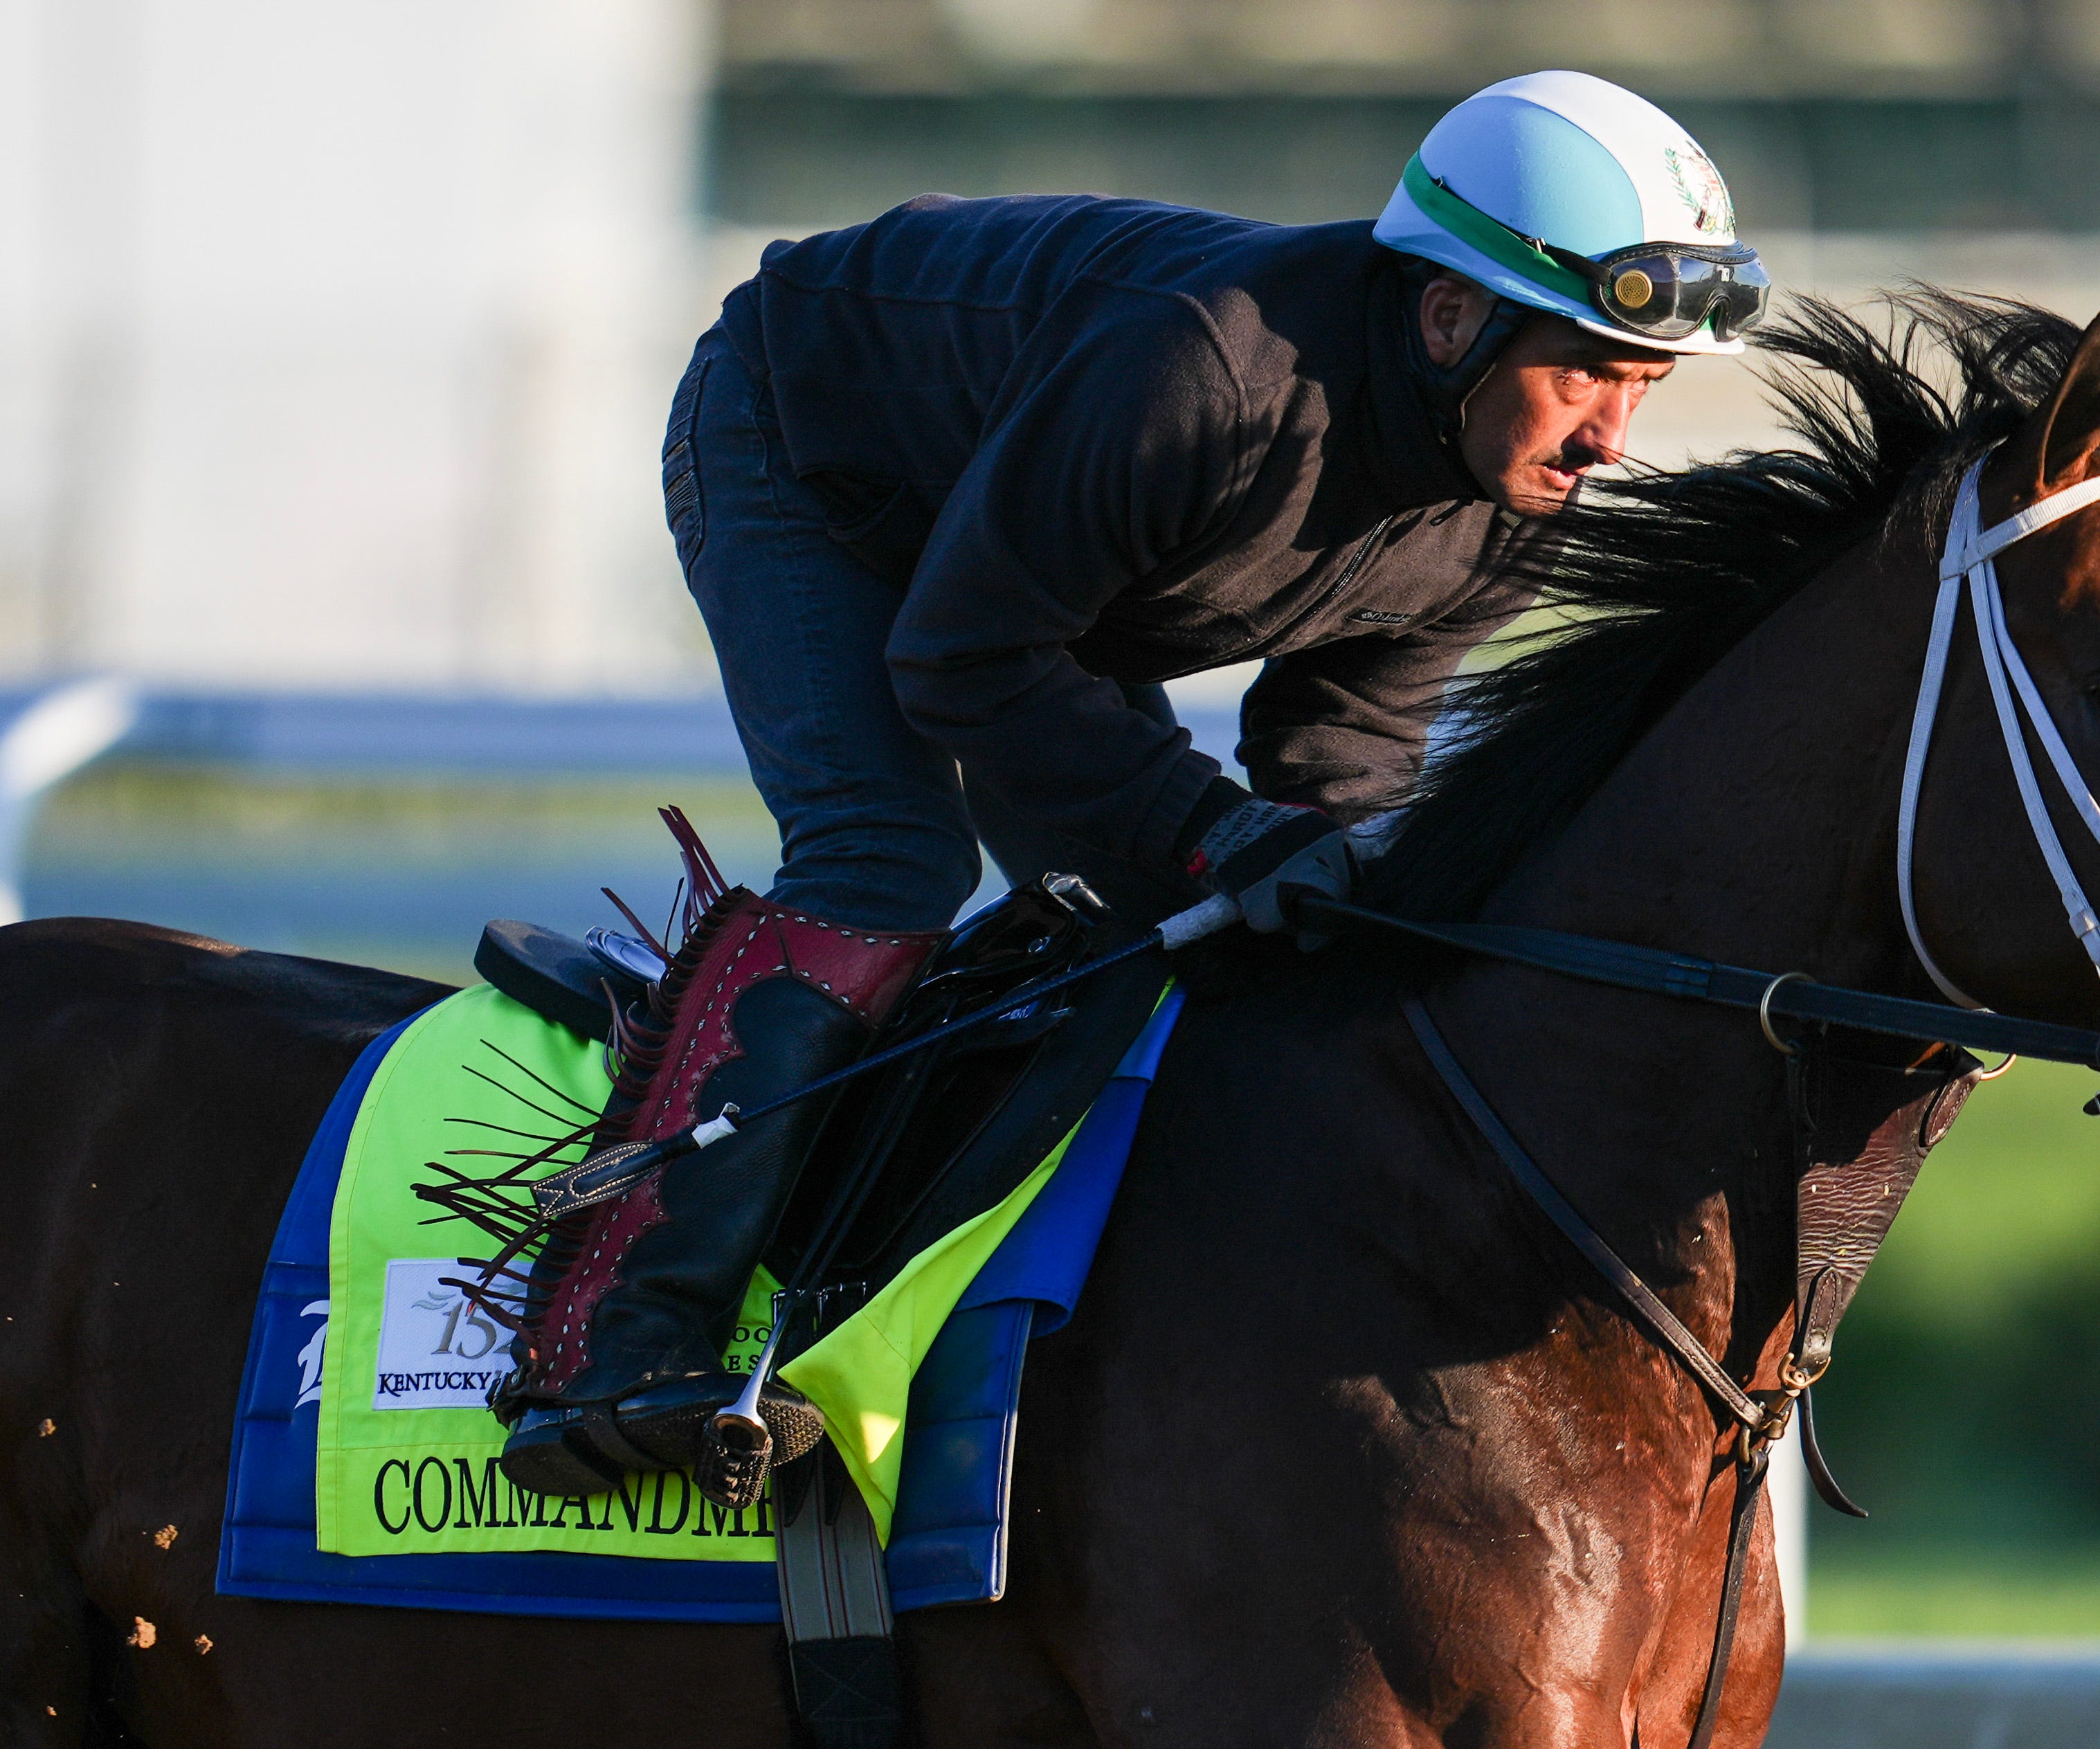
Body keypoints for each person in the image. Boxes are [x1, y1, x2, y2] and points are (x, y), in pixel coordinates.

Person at [493, 69, 1772, 1503]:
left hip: (1035, 558)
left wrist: (1348, 884)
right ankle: (609, 1343)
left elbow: (1341, 751)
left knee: (1154, 927)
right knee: (888, 857)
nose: (1611, 435)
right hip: (810, 453)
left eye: (1645, 383)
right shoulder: (1206, 377)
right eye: (1584, 371)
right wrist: (1217, 830)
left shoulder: (1515, 502)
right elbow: (962, 659)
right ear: (1446, 317)